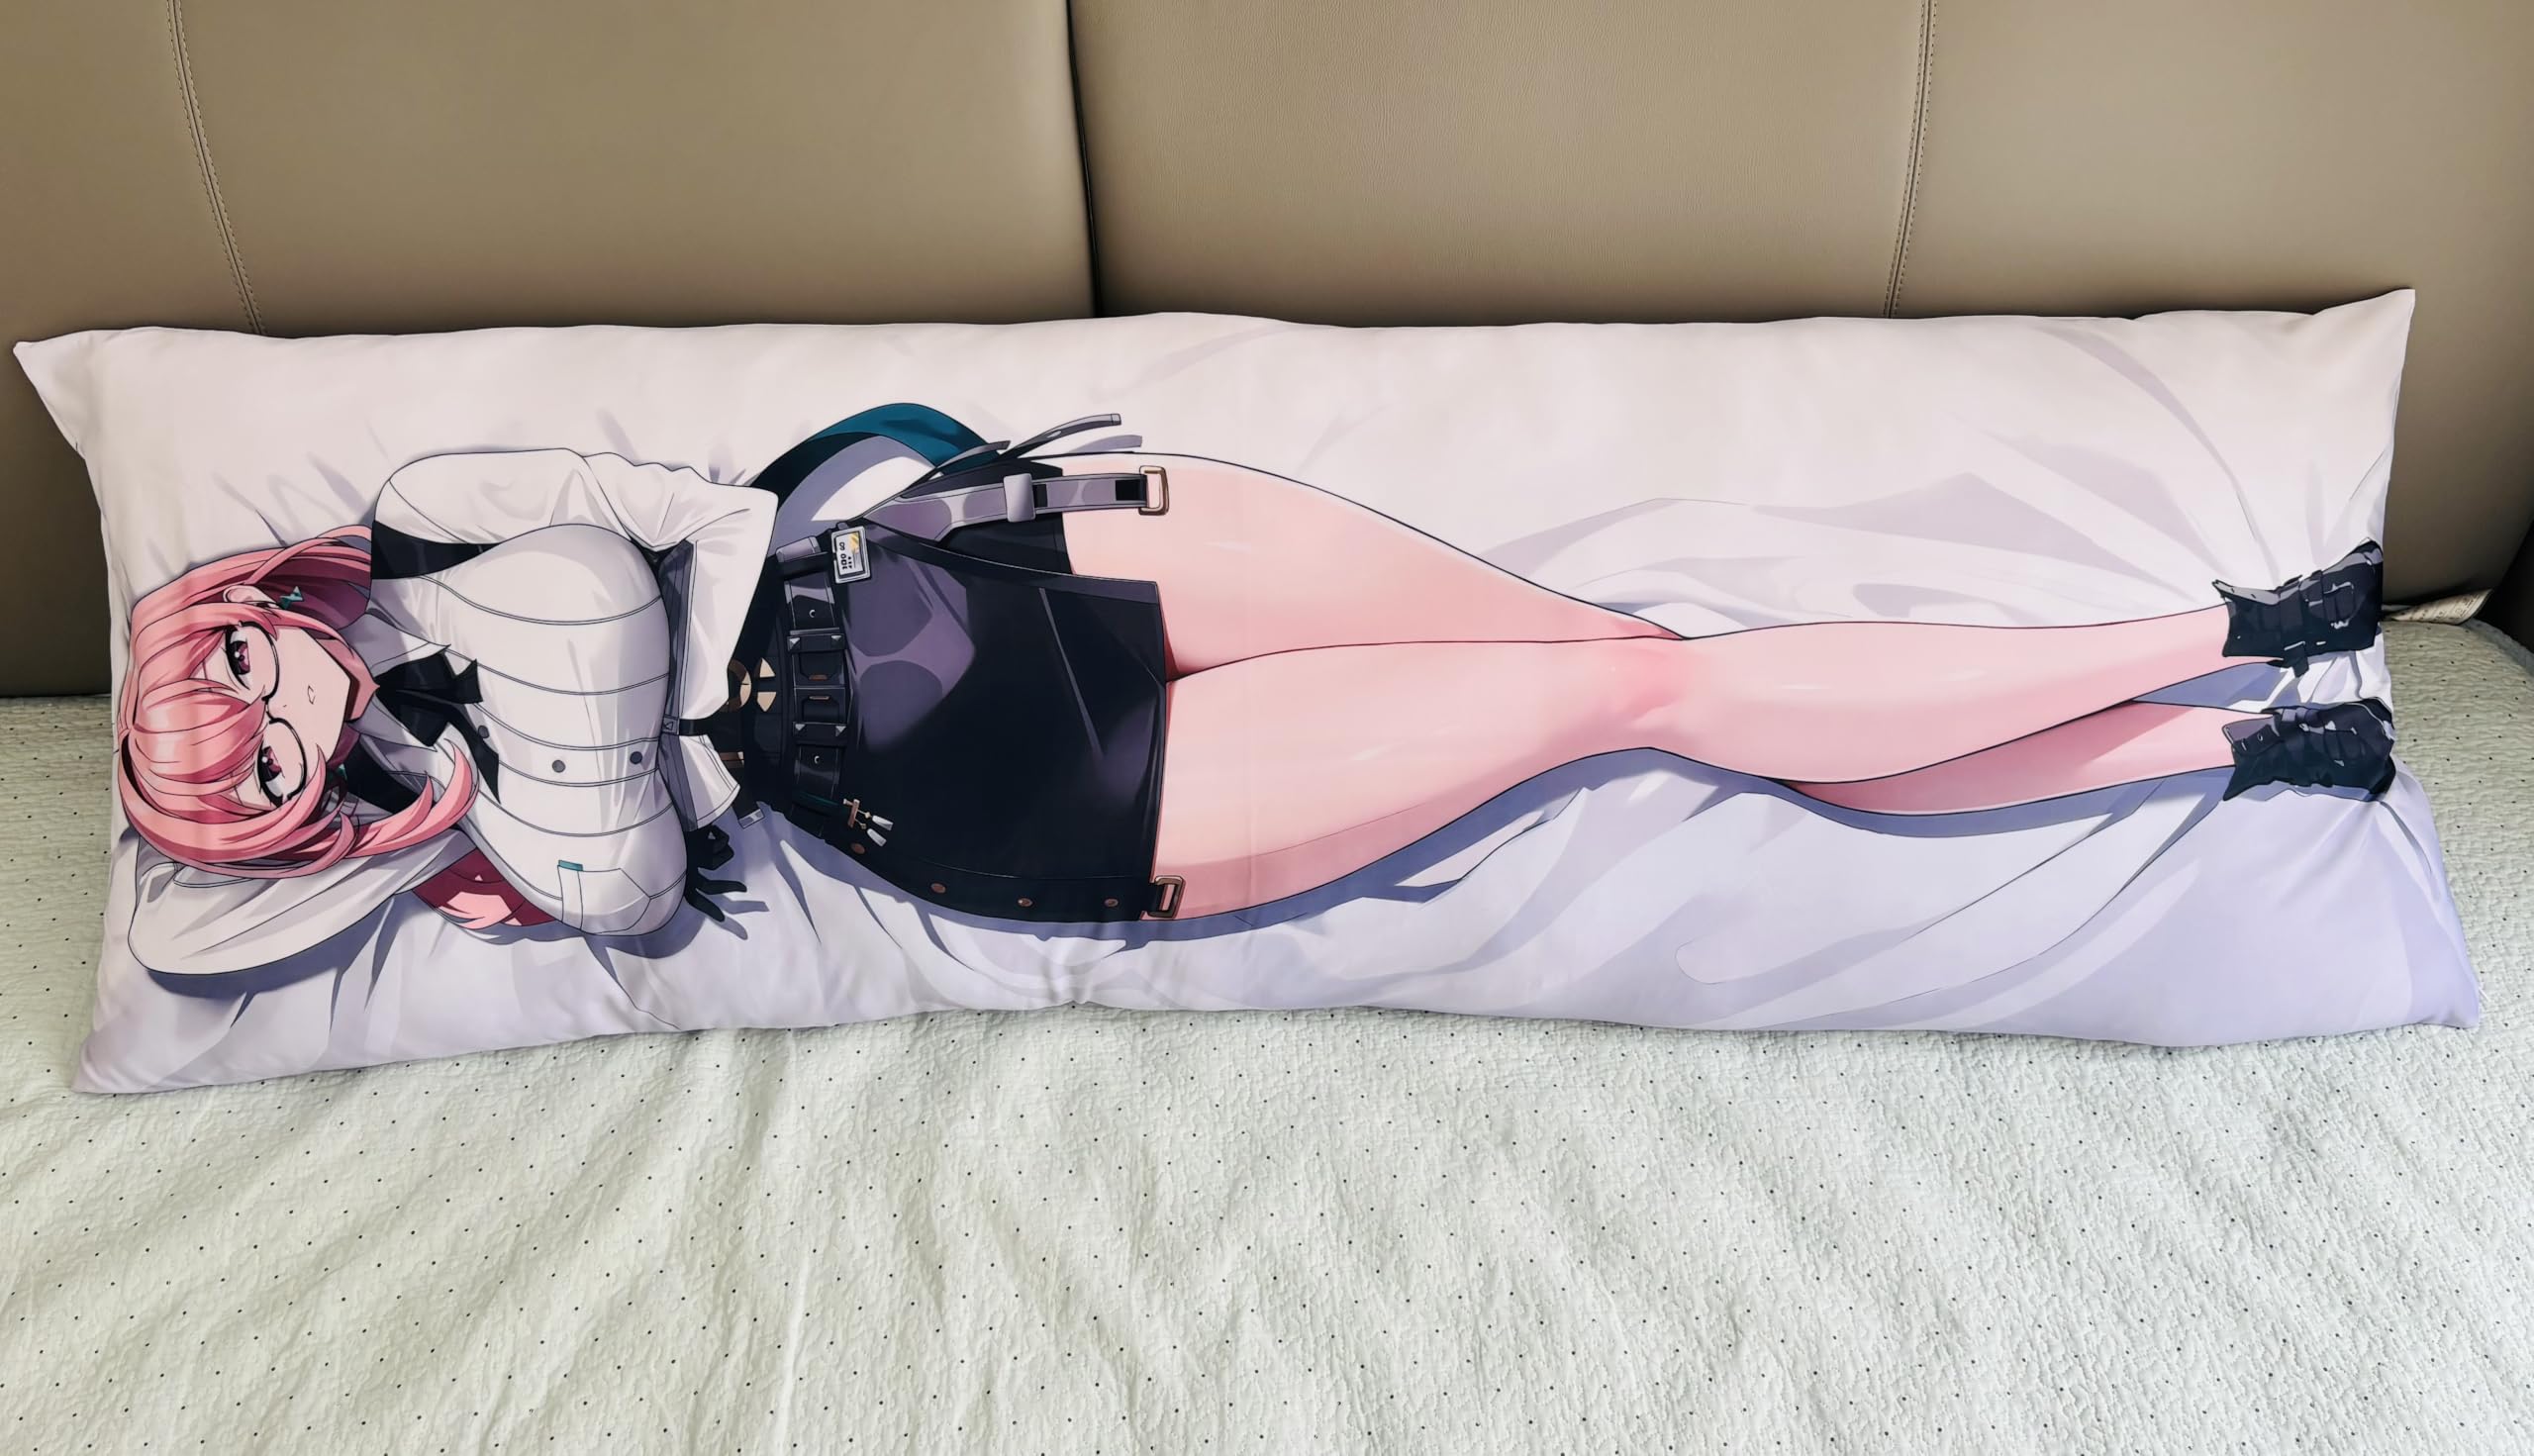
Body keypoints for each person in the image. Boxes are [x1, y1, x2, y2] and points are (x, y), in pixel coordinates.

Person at [114, 406, 2393, 973]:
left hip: (979, 569)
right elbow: (618, 885)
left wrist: (553, 723)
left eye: (224, 660)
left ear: (231, 600)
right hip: (1018, 807)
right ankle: (2239, 666)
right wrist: (440, 809)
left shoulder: (430, 509)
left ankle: (2246, 699)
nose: (268, 689)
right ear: (283, 810)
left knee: (1632, 668)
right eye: (255, 757)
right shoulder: (467, 860)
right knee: (1635, 698)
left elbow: (689, 529)